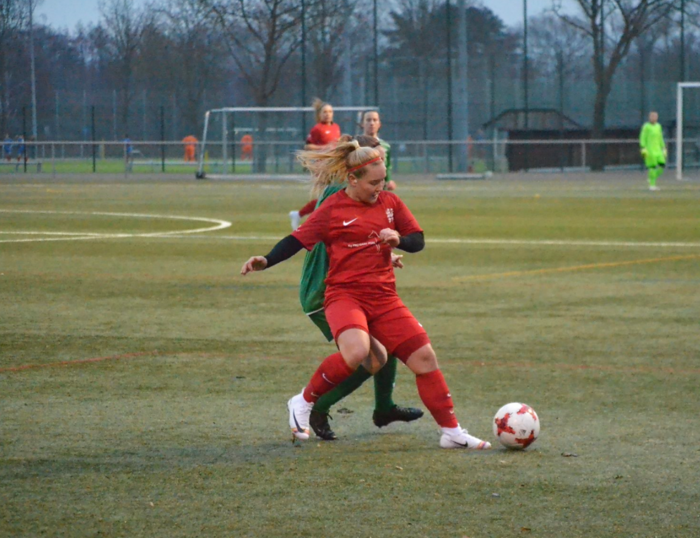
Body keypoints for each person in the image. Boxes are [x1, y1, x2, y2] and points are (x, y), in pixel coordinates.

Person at [241, 139, 491, 450]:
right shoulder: (333, 207)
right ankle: (303, 401)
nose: (379, 187)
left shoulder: (390, 203)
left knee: (425, 358)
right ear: (352, 179)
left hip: (384, 297)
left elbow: (417, 241)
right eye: (373, 182)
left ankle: (451, 432)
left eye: (382, 179)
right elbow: (296, 240)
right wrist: (265, 260)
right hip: (344, 296)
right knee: (358, 352)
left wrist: (397, 239)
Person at [299, 134, 422, 441]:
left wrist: (382, 252)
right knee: (369, 354)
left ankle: (384, 408)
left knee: (387, 341)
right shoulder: (339, 195)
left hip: (355, 286)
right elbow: (329, 240)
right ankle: (315, 406)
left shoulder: (363, 194)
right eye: (376, 161)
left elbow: (356, 238)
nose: (382, 169)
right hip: (324, 290)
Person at [289, 99, 342, 230]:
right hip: (322, 166)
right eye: (325, 112)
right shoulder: (317, 129)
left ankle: (300, 215)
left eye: (330, 111)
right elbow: (308, 146)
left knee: (330, 196)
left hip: (334, 165)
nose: (328, 114)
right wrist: (325, 148)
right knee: (331, 195)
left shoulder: (336, 127)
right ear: (319, 114)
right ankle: (310, 221)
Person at [360, 110, 396, 191]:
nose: (372, 123)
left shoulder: (385, 146)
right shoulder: (356, 144)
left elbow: (387, 166)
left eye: (375, 120)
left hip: (380, 190)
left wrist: (389, 181)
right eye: (368, 120)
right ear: (362, 124)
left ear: (379, 124)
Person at [640, 111, 666, 191]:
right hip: (650, 150)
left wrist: (663, 147)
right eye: (652, 116)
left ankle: (651, 177)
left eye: (655, 116)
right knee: (652, 167)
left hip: (658, 150)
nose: (654, 118)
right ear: (649, 117)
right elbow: (642, 137)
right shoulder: (646, 126)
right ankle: (652, 185)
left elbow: (660, 137)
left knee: (662, 165)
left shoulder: (658, 126)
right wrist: (643, 147)